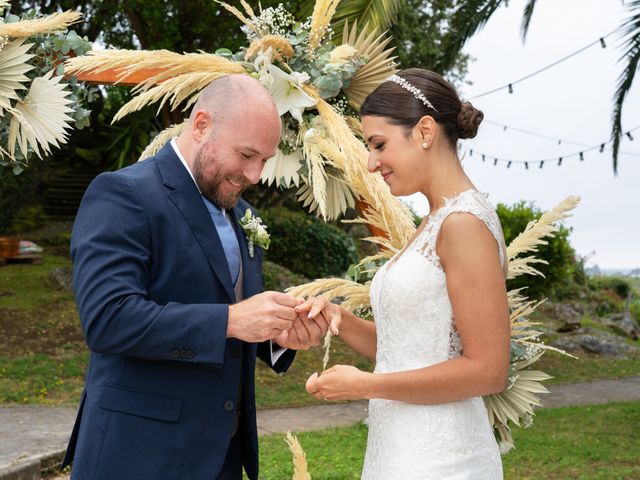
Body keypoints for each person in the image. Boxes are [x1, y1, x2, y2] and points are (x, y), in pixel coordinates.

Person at [61, 74, 330, 479]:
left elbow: (236, 320)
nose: (255, 174)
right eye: (246, 154)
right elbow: (108, 319)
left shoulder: (244, 214)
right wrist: (233, 320)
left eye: (265, 160)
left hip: (221, 457)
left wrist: (278, 336)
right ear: (201, 125)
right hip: (137, 455)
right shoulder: (124, 193)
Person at [304, 68, 511, 479]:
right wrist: (340, 320)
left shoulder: (464, 223)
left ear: (424, 131)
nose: (370, 162)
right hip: (399, 448)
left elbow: (488, 369)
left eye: (379, 144)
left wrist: (365, 385)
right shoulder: (435, 220)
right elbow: (414, 347)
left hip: (442, 459)